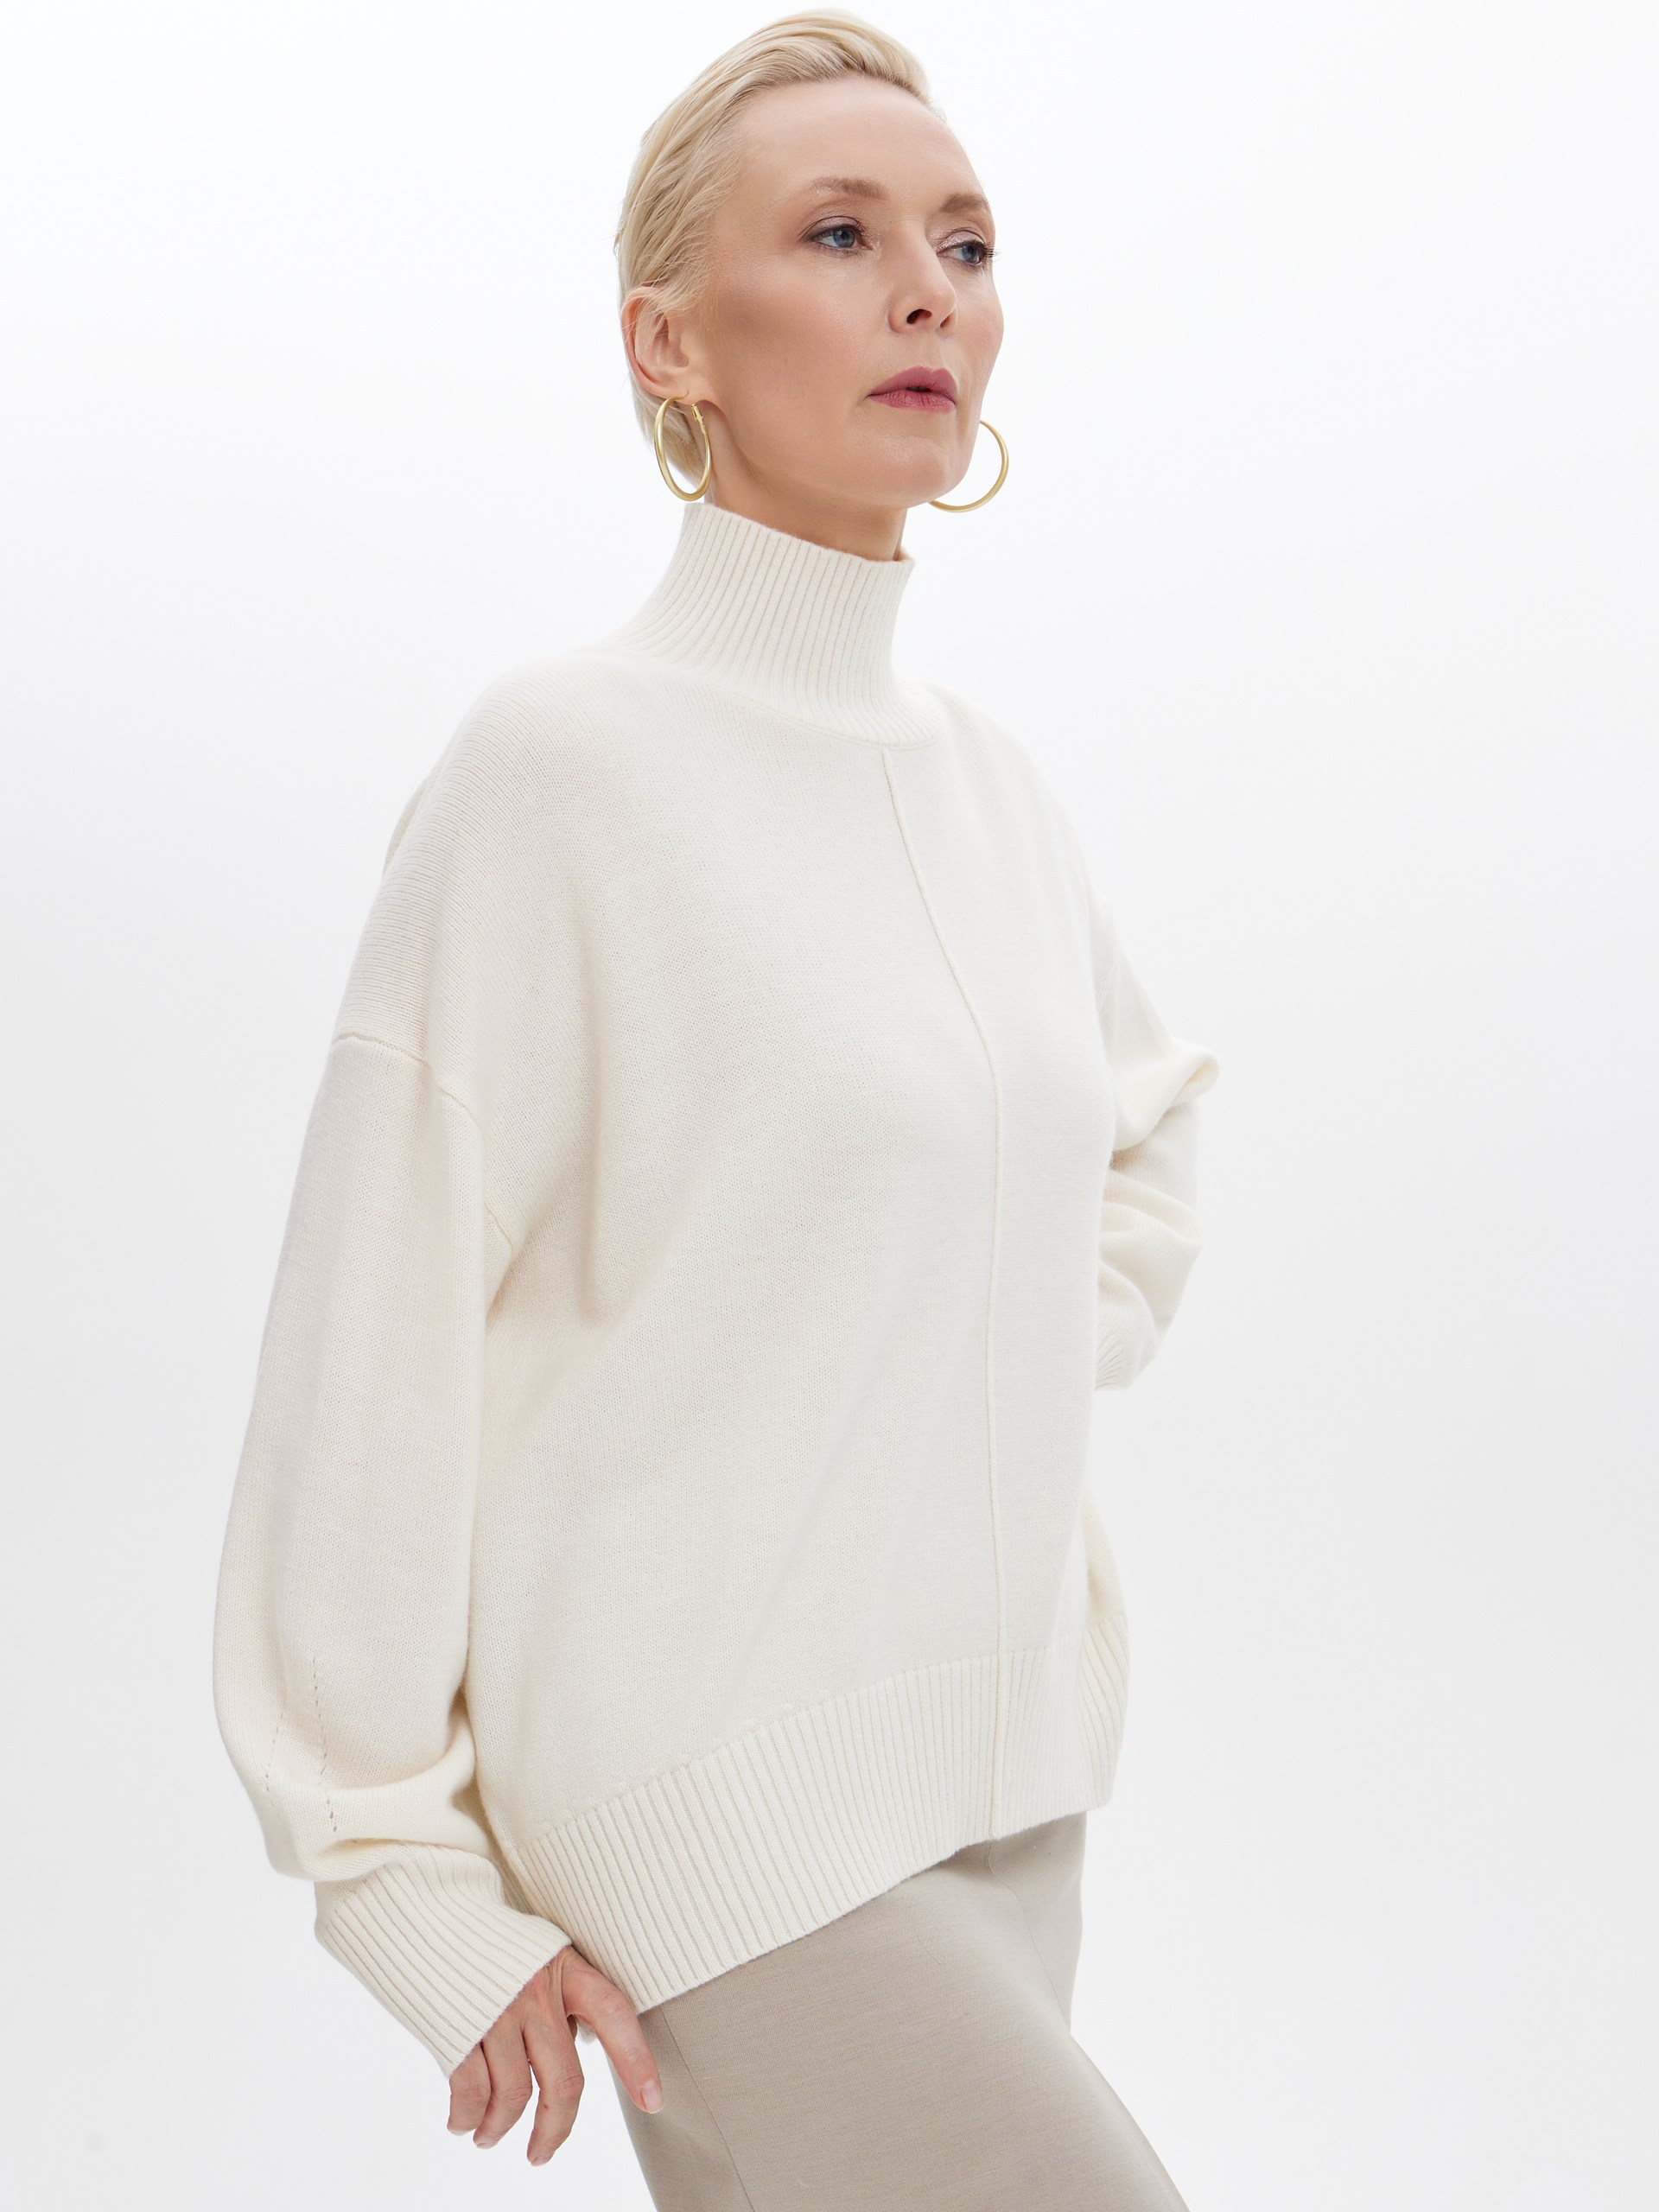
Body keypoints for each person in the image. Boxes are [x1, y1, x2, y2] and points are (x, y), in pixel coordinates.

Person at [211, 12, 1220, 2207]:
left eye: (964, 241)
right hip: (716, 1825)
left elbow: (1139, 1137)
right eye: (841, 236)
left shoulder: (993, 792)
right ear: (670, 341)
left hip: (1009, 1800)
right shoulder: (559, 772)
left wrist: (978, 1330)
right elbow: (370, 1336)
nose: (927, 291)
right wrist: (400, 1876)